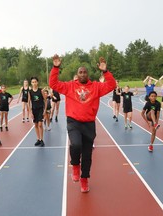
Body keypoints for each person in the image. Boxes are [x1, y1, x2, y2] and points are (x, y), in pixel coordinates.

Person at [49, 54, 116, 193]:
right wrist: (56, 67)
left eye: (85, 72)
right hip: (74, 122)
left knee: (87, 155)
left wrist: (105, 71)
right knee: (76, 144)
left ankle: (84, 179)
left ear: (88, 74)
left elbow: (111, 85)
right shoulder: (70, 86)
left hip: (89, 124)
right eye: (80, 72)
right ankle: (75, 166)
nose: (83, 74)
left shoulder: (96, 87)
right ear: (77, 75)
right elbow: (53, 84)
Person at [28, 77, 47, 147]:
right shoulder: (30, 92)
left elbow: (45, 100)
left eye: (35, 82)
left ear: (37, 82)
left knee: (40, 124)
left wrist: (45, 110)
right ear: (31, 83)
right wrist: (30, 112)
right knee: (35, 125)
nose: (34, 83)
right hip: (34, 110)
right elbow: (28, 102)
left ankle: (42, 139)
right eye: (33, 82)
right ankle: (38, 139)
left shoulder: (41, 91)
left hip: (40, 109)